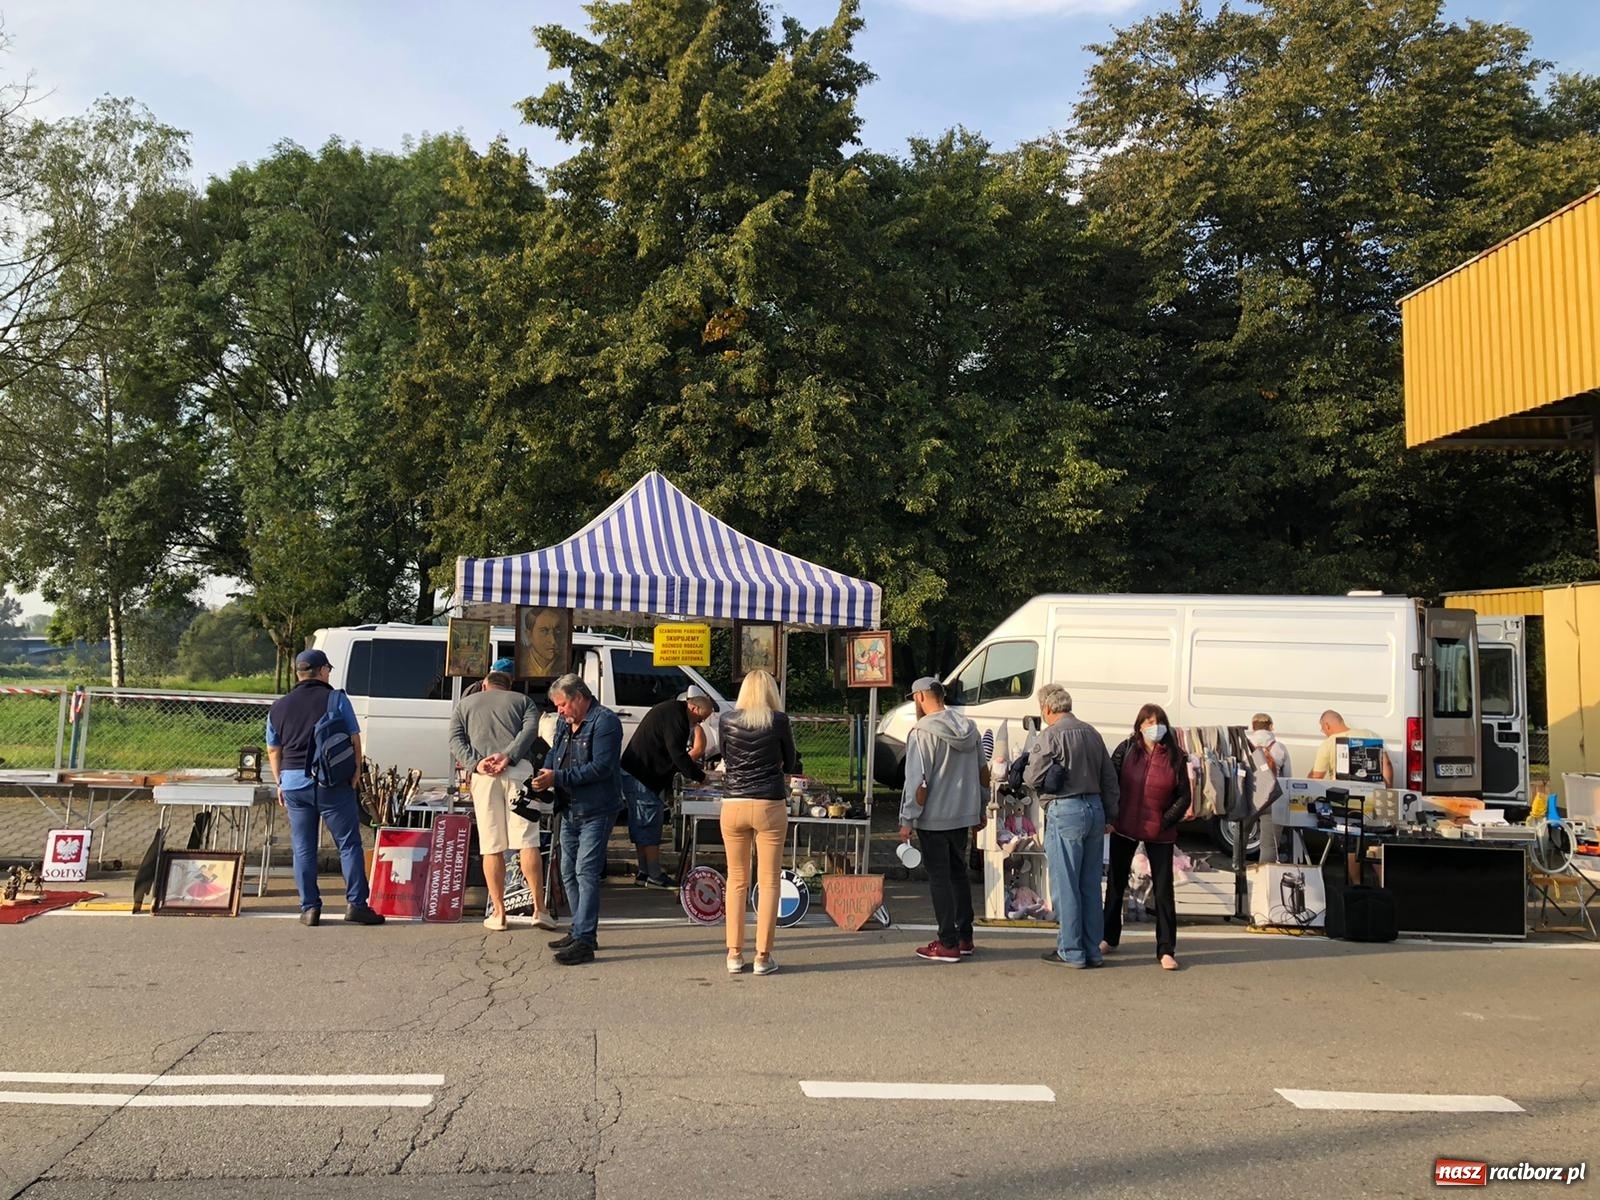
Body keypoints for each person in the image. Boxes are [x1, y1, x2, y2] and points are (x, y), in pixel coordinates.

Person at [265, 648, 384, 928]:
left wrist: (280, 782)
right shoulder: (336, 699)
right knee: (348, 843)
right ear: (321, 672)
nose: (329, 673)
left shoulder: (278, 706)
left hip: (294, 784)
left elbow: (273, 750)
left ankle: (309, 909)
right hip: (331, 782)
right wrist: (355, 772)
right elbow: (355, 740)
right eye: (327, 669)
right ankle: (356, 905)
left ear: (298, 673)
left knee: (303, 847)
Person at [449, 665, 555, 932]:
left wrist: (476, 763)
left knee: (491, 844)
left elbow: (455, 739)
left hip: (483, 775)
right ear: (509, 685)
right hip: (518, 771)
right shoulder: (524, 701)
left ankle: (499, 913)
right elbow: (531, 732)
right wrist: (508, 755)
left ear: (485, 685)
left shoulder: (465, 704)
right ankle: (540, 909)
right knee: (527, 840)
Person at [531, 674, 624, 965]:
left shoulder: (605, 722)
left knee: (586, 871)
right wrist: (544, 775)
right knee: (568, 870)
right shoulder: (563, 722)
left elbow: (601, 768)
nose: (559, 711)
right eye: (557, 706)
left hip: (597, 808)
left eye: (562, 704)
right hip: (567, 806)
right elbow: (554, 754)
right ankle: (579, 929)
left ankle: (585, 939)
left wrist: (556, 777)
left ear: (579, 697)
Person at [1025, 684, 1118, 968]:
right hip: (1095, 809)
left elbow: (1032, 777)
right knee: (1090, 884)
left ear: (1047, 708)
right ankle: (1092, 949)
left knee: (1066, 884)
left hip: (1065, 810)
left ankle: (1071, 950)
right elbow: (1109, 779)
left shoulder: (1050, 734)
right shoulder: (1092, 733)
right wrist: (1110, 816)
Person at [717, 669, 800, 977]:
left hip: (734, 802)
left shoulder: (727, 720)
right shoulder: (778, 721)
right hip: (769, 802)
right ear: (770, 692)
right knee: (768, 883)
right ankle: (762, 956)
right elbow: (790, 762)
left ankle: (733, 954)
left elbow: (726, 756)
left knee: (736, 881)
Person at [898, 677, 985, 963]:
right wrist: (981, 808)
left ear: (922, 696)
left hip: (933, 816)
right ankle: (965, 936)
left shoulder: (922, 732)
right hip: (963, 813)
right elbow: (982, 772)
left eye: (914, 698)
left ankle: (947, 941)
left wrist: (907, 818)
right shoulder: (969, 728)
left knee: (939, 878)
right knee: (958, 873)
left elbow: (917, 780)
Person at [1103, 704, 1190, 971]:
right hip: (1124, 827)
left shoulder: (1176, 756)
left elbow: (1184, 796)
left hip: (1160, 833)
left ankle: (1166, 949)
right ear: (1139, 725)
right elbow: (1111, 782)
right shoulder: (1126, 750)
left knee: (1163, 890)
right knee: (1116, 883)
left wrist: (1163, 822)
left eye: (1159, 720)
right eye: (1149, 720)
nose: (1155, 725)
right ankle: (1108, 936)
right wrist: (1112, 817)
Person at [620, 687, 716, 888]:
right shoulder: (677, 718)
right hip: (643, 775)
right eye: (700, 718)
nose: (700, 723)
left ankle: (644, 872)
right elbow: (678, 754)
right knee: (649, 823)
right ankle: (654, 873)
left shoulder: (672, 712)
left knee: (641, 823)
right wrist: (700, 777)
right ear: (693, 707)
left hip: (635, 772)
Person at [1248, 713, 1291, 864]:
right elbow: (1287, 778)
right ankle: (1265, 879)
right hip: (1273, 799)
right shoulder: (1279, 748)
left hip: (1249, 799)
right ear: (1271, 726)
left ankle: (1239, 876)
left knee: (1240, 840)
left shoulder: (1245, 746)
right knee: (1269, 846)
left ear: (1252, 727)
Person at [1308, 709, 1393, 785]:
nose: (1323, 732)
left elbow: (1316, 777)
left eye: (1322, 729)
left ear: (1327, 726)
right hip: (1372, 794)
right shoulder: (1370, 734)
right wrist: (1389, 790)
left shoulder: (1327, 744)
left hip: (1342, 794)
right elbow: (1387, 764)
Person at [517, 607, 565, 679]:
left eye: (557, 631)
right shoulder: (522, 663)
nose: (553, 641)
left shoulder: (563, 664)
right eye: (544, 631)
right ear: (529, 635)